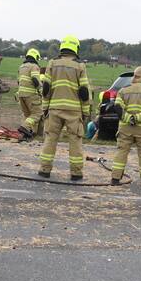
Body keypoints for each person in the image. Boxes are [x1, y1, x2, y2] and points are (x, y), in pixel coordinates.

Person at [38, 35, 91, 181]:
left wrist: (45, 108)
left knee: (50, 139)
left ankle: (44, 170)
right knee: (75, 141)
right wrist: (85, 112)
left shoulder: (52, 63)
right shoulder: (80, 65)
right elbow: (84, 91)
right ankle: (76, 173)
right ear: (76, 48)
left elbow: (46, 89)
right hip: (74, 111)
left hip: (54, 109)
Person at [109, 66, 141, 187]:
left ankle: (115, 178)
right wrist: (138, 119)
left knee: (122, 151)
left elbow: (117, 107)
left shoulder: (123, 90)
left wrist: (128, 118)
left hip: (125, 128)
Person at [16, 48, 44, 141]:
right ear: (36, 56)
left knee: (27, 115)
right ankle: (24, 127)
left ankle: (25, 135)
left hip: (21, 94)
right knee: (37, 113)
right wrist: (41, 90)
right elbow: (35, 80)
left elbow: (18, 81)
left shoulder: (21, 67)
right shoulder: (34, 66)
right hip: (31, 94)